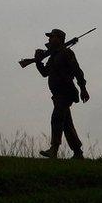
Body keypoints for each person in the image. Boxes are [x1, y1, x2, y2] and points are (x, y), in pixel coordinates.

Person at [35, 28, 90, 159]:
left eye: (51, 37)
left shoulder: (66, 53)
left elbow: (77, 71)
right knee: (66, 124)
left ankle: (54, 149)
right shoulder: (53, 56)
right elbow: (44, 73)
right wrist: (37, 61)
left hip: (65, 92)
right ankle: (78, 152)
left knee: (57, 118)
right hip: (57, 94)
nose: (49, 39)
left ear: (59, 39)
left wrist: (83, 88)